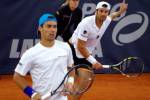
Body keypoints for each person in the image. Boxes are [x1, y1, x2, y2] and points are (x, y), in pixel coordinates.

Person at [13, 13, 74, 100]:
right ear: (40, 28)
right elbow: (17, 76)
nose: (52, 30)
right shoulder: (31, 53)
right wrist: (32, 94)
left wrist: (70, 82)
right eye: (48, 26)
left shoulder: (65, 47)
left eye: (54, 26)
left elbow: (71, 68)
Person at [69, 1, 128, 70]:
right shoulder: (86, 23)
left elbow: (112, 16)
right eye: (101, 11)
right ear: (96, 11)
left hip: (84, 51)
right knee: (77, 77)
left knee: (85, 78)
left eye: (106, 12)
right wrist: (94, 62)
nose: (103, 14)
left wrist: (120, 12)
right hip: (73, 49)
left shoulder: (106, 20)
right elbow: (80, 46)